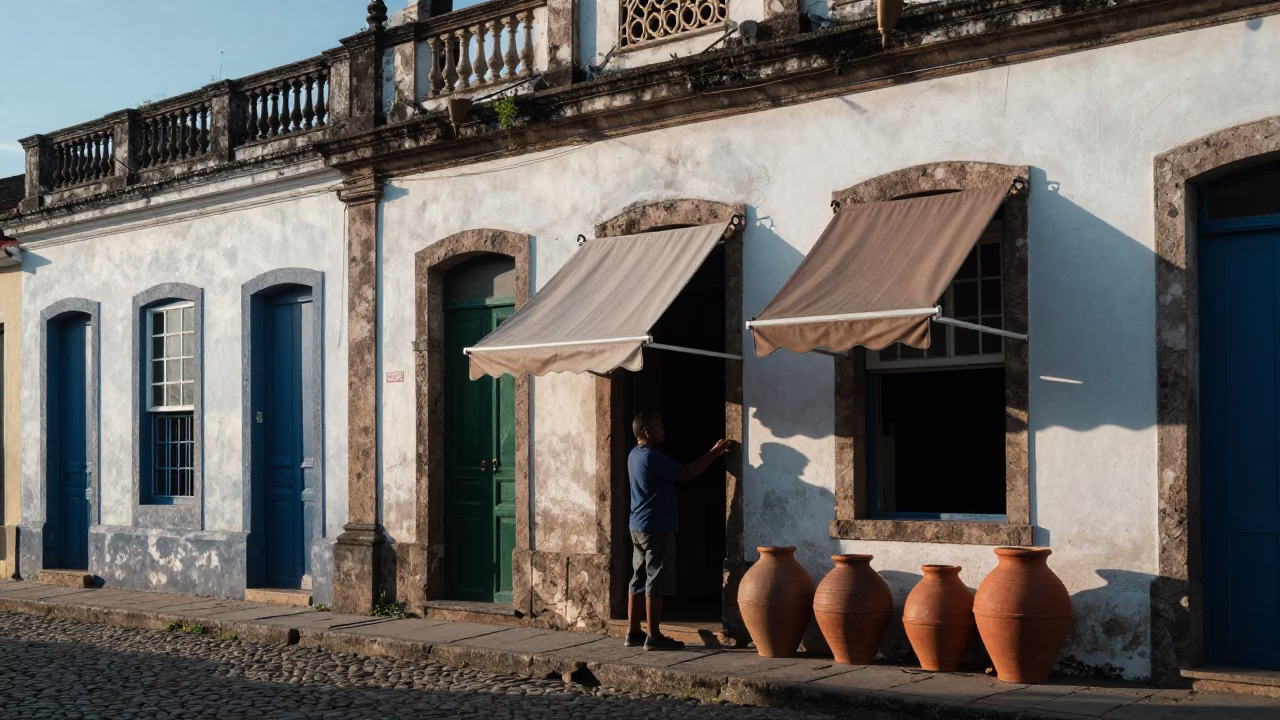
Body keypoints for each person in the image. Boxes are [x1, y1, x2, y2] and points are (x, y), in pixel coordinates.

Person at [625, 412, 732, 650]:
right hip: (656, 526)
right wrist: (714, 453)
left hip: (638, 524)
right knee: (656, 580)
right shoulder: (652, 457)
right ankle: (653, 636)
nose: (664, 432)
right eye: (659, 428)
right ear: (646, 433)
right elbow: (687, 474)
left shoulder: (634, 455)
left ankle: (633, 632)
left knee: (638, 578)